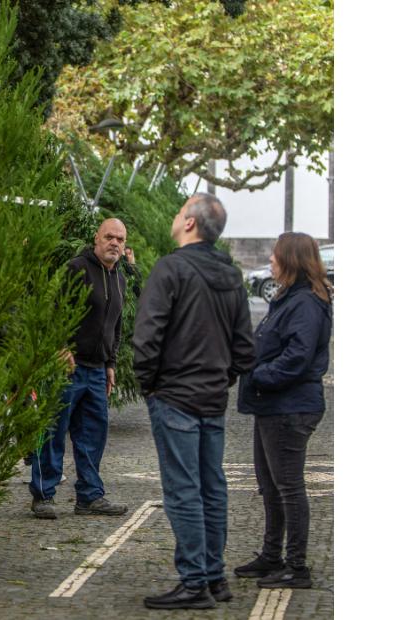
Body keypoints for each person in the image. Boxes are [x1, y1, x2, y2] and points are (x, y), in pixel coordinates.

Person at [133, 193, 255, 610]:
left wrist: (149, 385)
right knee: (211, 487)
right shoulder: (231, 274)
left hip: (176, 395)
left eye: (179, 208)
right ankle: (214, 576)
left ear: (189, 223)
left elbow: (146, 335)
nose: (174, 214)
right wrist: (223, 379)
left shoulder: (172, 268)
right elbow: (245, 348)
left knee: (184, 490)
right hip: (211, 397)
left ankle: (194, 582)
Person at [234, 232, 332, 589]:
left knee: (289, 488)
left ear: (290, 260)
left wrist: (258, 376)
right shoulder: (289, 297)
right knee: (270, 486)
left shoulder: (305, 303)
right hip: (273, 406)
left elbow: (296, 358)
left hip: (290, 408)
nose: (270, 261)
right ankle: (271, 556)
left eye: (275, 256)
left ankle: (297, 566)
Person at [29, 218, 133, 519]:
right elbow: (54, 310)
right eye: (110, 237)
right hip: (67, 368)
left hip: (98, 370)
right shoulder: (77, 268)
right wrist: (61, 346)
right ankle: (43, 495)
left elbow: (117, 325)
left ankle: (89, 496)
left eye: (120, 239)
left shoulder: (120, 279)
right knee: (52, 432)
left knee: (93, 435)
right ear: (96, 238)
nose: (115, 243)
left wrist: (111, 363)